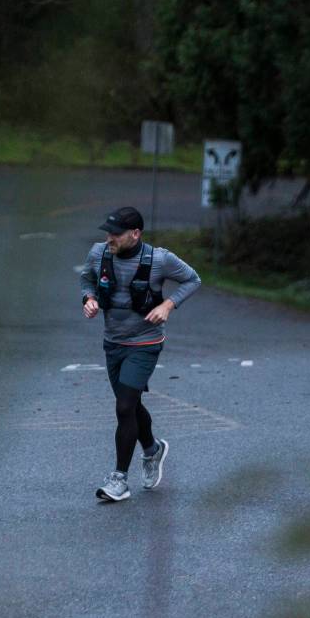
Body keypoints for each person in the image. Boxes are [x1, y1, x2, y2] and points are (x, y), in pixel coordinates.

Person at [79, 206, 202, 502]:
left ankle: (119, 480)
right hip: (113, 342)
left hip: (145, 343)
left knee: (124, 407)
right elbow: (86, 279)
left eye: (116, 233)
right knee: (131, 406)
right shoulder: (99, 253)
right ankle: (153, 449)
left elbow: (193, 279)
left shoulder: (159, 259)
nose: (110, 238)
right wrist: (90, 298)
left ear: (135, 234)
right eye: (108, 232)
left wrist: (167, 306)